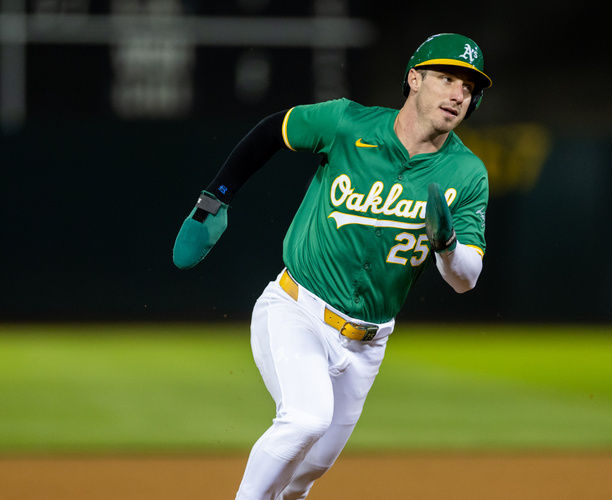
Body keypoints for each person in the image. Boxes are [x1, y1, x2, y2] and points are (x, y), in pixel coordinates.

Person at [173, 33, 491, 500]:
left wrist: (446, 243)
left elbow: (465, 279)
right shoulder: (346, 122)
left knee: (309, 471)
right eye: (446, 78)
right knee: (305, 419)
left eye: (468, 86)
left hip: (368, 343)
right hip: (297, 309)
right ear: (414, 79)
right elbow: (272, 130)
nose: (458, 93)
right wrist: (217, 197)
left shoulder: (467, 173)